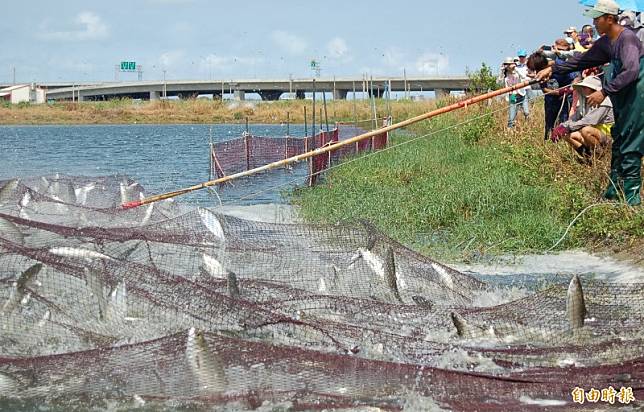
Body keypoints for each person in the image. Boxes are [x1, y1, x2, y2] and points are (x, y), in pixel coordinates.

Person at [536, 0, 643, 206]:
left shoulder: (627, 39)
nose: (593, 22)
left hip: (637, 92)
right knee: (620, 137)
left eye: (597, 18)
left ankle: (631, 197)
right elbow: (581, 61)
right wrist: (554, 69)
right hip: (623, 94)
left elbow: (631, 71)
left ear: (610, 19)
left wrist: (604, 91)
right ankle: (614, 189)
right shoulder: (605, 42)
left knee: (631, 141)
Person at [549, 76, 614, 163]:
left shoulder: (604, 102)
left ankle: (600, 155)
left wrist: (567, 127)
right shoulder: (585, 102)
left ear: (592, 88)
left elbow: (588, 121)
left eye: (585, 87)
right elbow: (574, 118)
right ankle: (587, 156)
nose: (582, 89)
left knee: (586, 130)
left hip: (608, 136)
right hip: (595, 133)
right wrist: (562, 126)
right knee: (567, 135)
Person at [527, 42, 578, 140]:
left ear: (543, 65)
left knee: (564, 122)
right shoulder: (539, 72)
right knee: (549, 124)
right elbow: (545, 89)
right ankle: (548, 141)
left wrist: (569, 89)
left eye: (537, 69)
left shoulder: (561, 65)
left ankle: (564, 142)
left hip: (566, 99)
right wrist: (559, 92)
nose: (536, 72)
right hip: (551, 100)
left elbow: (576, 78)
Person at [499, 57, 528, 128]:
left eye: (509, 64)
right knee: (512, 115)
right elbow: (499, 83)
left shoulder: (517, 71)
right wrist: (502, 71)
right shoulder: (505, 74)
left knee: (526, 112)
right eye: (507, 64)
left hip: (522, 94)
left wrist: (515, 69)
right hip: (512, 95)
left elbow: (524, 77)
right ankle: (510, 129)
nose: (508, 66)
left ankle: (527, 125)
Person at [515, 49, 532, 116]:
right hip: (519, 88)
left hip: (527, 87)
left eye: (523, 57)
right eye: (520, 57)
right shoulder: (516, 67)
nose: (521, 58)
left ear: (525, 57)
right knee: (517, 105)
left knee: (529, 103)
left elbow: (533, 74)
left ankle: (528, 118)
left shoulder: (529, 65)